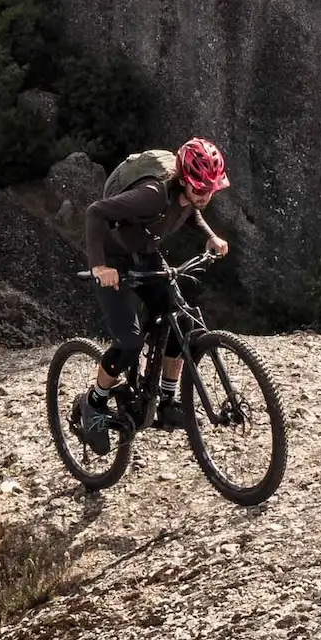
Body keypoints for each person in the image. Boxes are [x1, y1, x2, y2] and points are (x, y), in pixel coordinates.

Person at [72, 138, 233, 452]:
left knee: (181, 319)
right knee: (130, 343)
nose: (206, 195)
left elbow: (189, 210)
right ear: (184, 180)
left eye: (210, 189)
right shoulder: (152, 195)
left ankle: (167, 400)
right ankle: (94, 402)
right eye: (200, 188)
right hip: (112, 259)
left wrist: (211, 236)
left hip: (144, 251)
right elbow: (96, 213)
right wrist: (99, 266)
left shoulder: (188, 195)